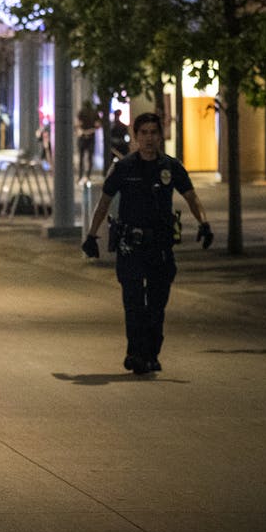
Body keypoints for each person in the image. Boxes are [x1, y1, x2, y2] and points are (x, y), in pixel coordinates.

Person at [82, 113, 212, 374]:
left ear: (160, 135)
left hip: (160, 246)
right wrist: (92, 235)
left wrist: (204, 223)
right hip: (130, 244)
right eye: (144, 133)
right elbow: (104, 202)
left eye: (154, 132)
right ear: (136, 136)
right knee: (133, 304)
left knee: (155, 305)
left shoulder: (170, 167)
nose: (149, 138)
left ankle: (151, 354)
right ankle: (135, 352)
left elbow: (191, 197)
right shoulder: (124, 168)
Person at [76, 100, 102, 179]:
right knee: (90, 157)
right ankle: (88, 176)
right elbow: (97, 125)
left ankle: (81, 176)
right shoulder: (94, 113)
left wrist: (80, 130)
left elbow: (78, 123)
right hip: (91, 136)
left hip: (83, 136)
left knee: (81, 157)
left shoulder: (82, 112)